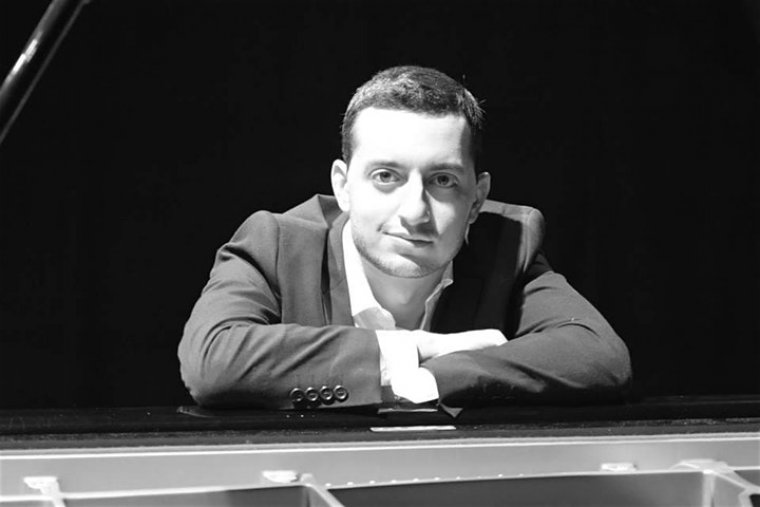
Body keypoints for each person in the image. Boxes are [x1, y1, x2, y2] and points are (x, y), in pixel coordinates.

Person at [178, 65, 631, 416]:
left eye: (442, 180)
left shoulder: (508, 245)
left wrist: (432, 378)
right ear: (343, 186)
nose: (414, 211)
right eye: (386, 176)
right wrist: (412, 350)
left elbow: (597, 355)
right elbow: (214, 362)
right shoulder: (274, 244)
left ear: (477, 199)